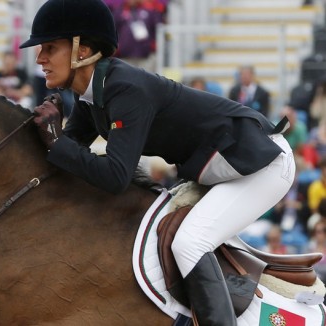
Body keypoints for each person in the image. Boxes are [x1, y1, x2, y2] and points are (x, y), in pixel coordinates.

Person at [20, 0, 295, 324]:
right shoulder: (92, 95)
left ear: (82, 50)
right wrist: (48, 134)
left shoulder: (125, 88)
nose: (39, 59)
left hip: (261, 164)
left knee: (189, 243)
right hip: (222, 167)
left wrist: (56, 140)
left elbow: (115, 177)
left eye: (49, 48)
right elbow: (65, 155)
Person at [111, 0, 163, 72]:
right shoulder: (119, 11)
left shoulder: (149, 10)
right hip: (125, 56)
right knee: (127, 79)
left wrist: (152, 46)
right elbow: (113, 29)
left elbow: (158, 28)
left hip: (145, 55)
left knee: (145, 79)